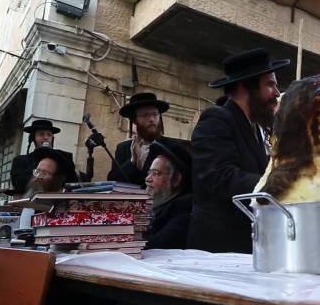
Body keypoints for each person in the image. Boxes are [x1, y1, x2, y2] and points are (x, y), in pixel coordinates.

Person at [187, 48, 290, 252]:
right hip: (219, 249)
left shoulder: (257, 127)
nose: (277, 93)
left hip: (249, 245)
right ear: (246, 87)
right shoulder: (216, 119)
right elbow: (220, 177)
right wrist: (281, 185)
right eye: (270, 84)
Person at [108, 92, 179, 187]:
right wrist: (132, 161)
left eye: (155, 114)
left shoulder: (172, 147)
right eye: (145, 115)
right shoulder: (123, 148)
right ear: (134, 120)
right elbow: (113, 181)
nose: (152, 119)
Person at [144, 140, 192, 250]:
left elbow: (157, 245)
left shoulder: (184, 209)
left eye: (156, 173)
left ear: (176, 179)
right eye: (149, 173)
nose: (148, 179)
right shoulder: (154, 206)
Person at [10, 120, 78, 197]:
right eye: (41, 134)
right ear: (33, 137)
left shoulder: (62, 158)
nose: (46, 137)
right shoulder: (20, 160)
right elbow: (18, 183)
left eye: (49, 135)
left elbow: (71, 180)